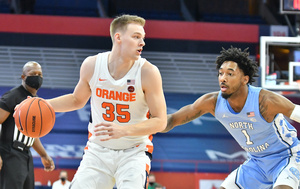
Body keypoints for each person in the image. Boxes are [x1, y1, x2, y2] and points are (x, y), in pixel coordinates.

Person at [47, 14, 167, 189]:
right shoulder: (92, 65)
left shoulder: (148, 72)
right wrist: (42, 103)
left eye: (143, 38)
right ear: (118, 37)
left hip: (134, 151)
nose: (142, 42)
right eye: (136, 37)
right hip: (98, 150)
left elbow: (160, 121)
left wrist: (123, 130)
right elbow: (76, 100)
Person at [162, 46, 300, 189]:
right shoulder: (212, 102)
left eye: (230, 74)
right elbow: (172, 120)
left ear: (244, 79)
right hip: (256, 163)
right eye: (221, 73)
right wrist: (150, 123)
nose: (223, 78)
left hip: (287, 157)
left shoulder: (265, 101)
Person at [0, 61, 55, 189]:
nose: (37, 76)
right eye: (33, 74)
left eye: (39, 74)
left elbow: (32, 133)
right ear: (23, 77)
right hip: (10, 153)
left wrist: (44, 155)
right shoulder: (13, 96)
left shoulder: (33, 101)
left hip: (26, 155)